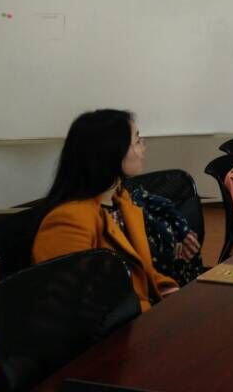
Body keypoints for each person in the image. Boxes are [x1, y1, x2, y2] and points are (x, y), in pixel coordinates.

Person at [32, 109, 179, 312]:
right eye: (137, 141)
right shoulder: (68, 220)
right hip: (115, 326)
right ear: (111, 153)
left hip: (140, 314)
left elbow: (143, 271)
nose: (143, 147)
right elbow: (78, 302)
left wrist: (173, 294)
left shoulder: (121, 201)